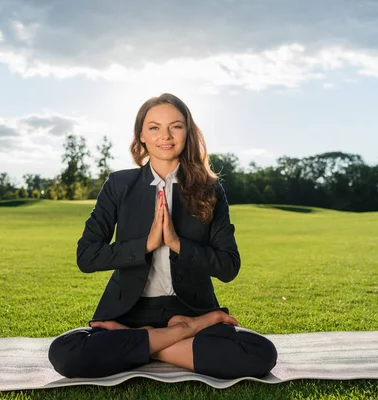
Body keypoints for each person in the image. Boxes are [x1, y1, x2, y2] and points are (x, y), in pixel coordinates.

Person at [48, 93, 277, 379]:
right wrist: (147, 245)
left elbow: (229, 266)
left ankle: (145, 342)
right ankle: (180, 335)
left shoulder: (209, 189)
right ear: (141, 135)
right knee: (64, 352)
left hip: (191, 309)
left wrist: (177, 243)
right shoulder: (119, 185)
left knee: (260, 352)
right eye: (154, 127)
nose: (165, 136)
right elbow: (86, 256)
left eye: (176, 126)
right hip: (129, 312)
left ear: (187, 132)